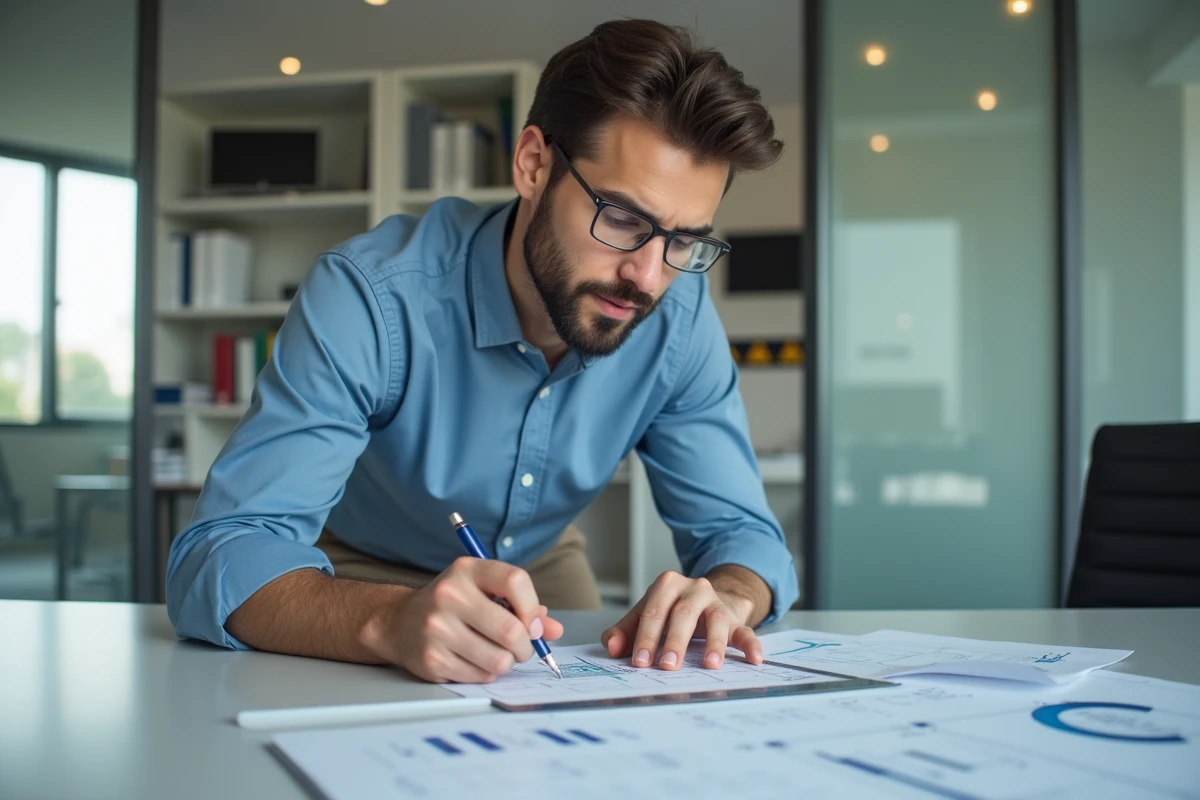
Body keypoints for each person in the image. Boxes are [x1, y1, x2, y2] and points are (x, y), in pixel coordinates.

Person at [167, 18, 799, 684]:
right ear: (533, 164)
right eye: (620, 219)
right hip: (356, 568)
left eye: (683, 241)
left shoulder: (679, 317)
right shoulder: (371, 295)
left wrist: (727, 596)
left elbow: (743, 534)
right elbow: (220, 555)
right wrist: (385, 620)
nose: (646, 277)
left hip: (541, 564)